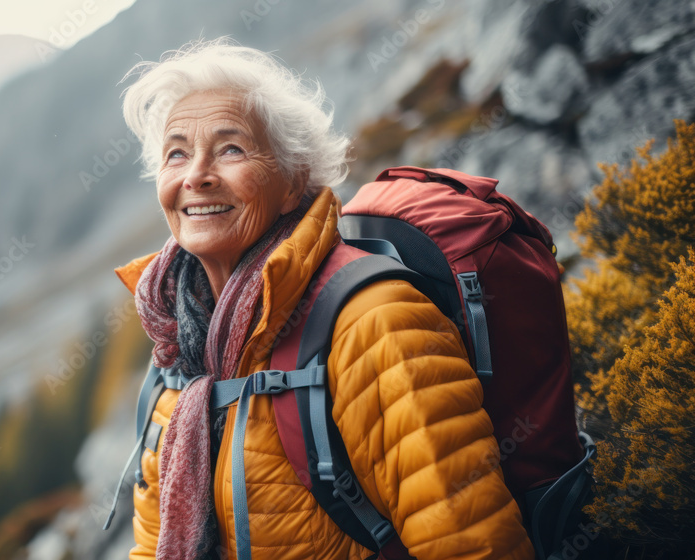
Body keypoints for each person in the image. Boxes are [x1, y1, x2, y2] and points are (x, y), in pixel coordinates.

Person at [113, 37, 534, 560]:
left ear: (294, 183)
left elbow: (471, 544)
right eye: (176, 153)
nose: (196, 175)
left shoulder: (377, 322)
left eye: (230, 149)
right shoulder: (178, 346)